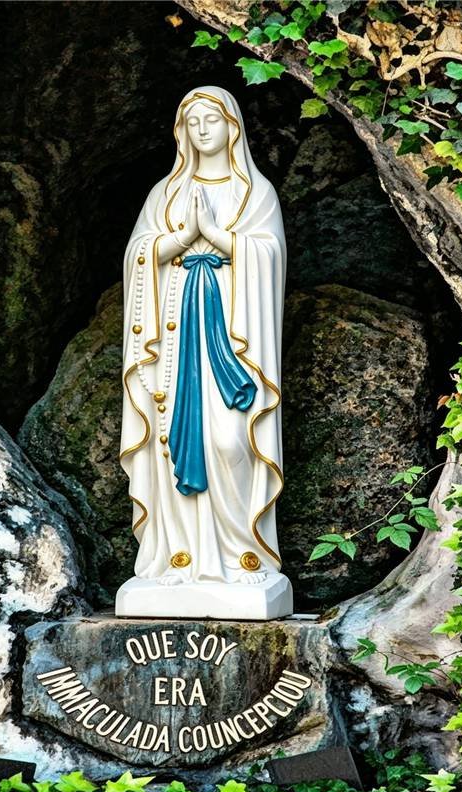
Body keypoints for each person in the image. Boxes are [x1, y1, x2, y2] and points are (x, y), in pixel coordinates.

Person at [119, 86, 287, 588]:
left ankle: (243, 556)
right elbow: (137, 255)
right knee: (168, 440)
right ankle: (178, 557)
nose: (202, 131)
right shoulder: (164, 193)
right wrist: (179, 237)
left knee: (230, 439)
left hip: (232, 343)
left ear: (232, 127)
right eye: (191, 122)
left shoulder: (256, 193)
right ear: (181, 133)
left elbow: (269, 256)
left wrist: (214, 235)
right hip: (173, 339)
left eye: (211, 120)